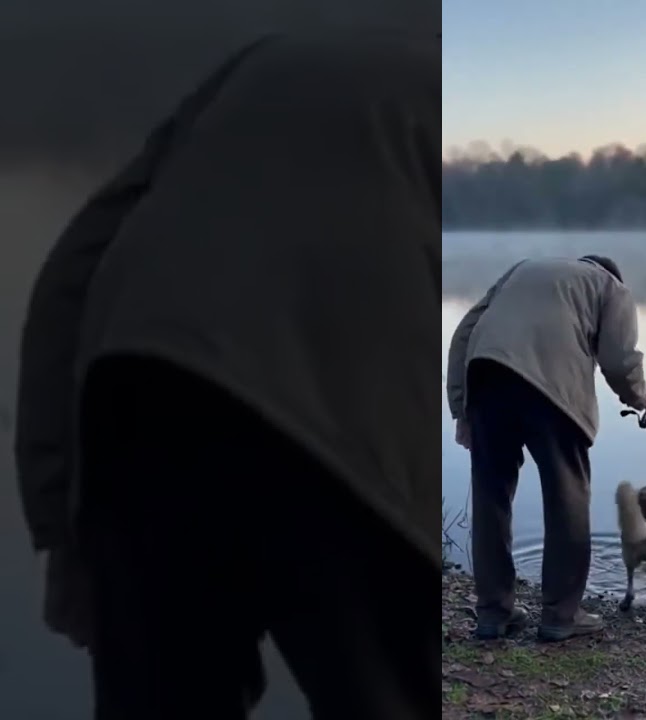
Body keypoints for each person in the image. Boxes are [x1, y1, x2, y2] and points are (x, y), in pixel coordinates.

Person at [13, 32, 441, 720]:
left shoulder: (266, 64)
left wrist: (60, 525)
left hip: (145, 388)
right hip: (340, 429)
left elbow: (73, 270)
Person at [445, 254, 646, 642]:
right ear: (611, 272)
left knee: (491, 498)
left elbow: (464, 334)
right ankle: (562, 615)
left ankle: (493, 613)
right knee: (567, 498)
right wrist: (639, 396)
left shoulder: (520, 269)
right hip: (552, 390)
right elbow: (618, 357)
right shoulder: (613, 288)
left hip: (486, 376)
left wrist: (461, 409)